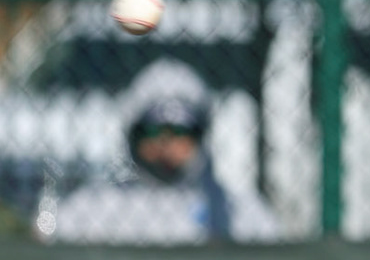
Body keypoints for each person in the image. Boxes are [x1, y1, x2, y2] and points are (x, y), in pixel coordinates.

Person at [45, 59, 282, 245]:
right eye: (153, 130)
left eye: (180, 130)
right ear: (133, 134)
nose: (165, 143)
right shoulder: (96, 207)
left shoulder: (236, 211)